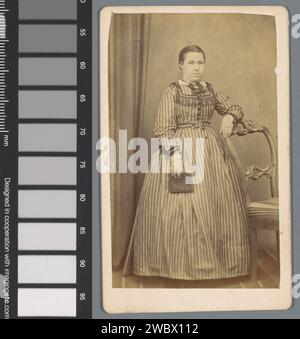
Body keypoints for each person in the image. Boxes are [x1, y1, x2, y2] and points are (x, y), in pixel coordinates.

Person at [123, 45, 250, 281]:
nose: (196, 67)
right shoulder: (172, 91)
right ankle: (176, 268)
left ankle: (219, 267)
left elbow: (234, 107)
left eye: (200, 62)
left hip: (210, 151)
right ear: (181, 65)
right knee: (179, 208)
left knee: (216, 204)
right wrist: (175, 157)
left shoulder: (210, 89)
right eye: (191, 62)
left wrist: (230, 117)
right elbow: (162, 128)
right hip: (179, 148)